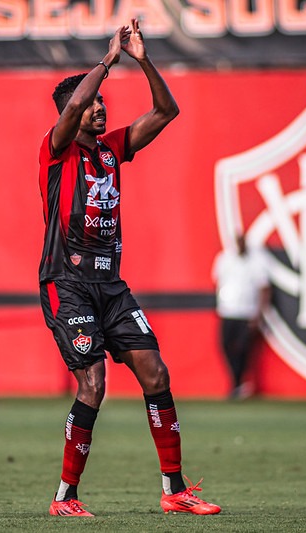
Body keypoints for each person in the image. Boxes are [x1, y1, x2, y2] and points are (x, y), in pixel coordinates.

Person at [37, 19, 220, 517]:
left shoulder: (112, 149)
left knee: (156, 373)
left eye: (102, 103)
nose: (100, 108)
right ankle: (65, 498)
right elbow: (74, 105)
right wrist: (107, 60)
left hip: (111, 287)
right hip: (67, 284)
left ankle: (175, 490)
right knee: (93, 383)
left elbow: (167, 110)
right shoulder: (55, 151)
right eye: (94, 103)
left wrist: (141, 58)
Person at [212, 233, 271, 400]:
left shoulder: (257, 262)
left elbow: (264, 288)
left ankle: (238, 383)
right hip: (227, 310)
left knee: (243, 348)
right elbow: (218, 282)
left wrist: (259, 313)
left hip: (247, 312)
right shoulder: (224, 259)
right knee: (225, 345)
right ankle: (236, 382)